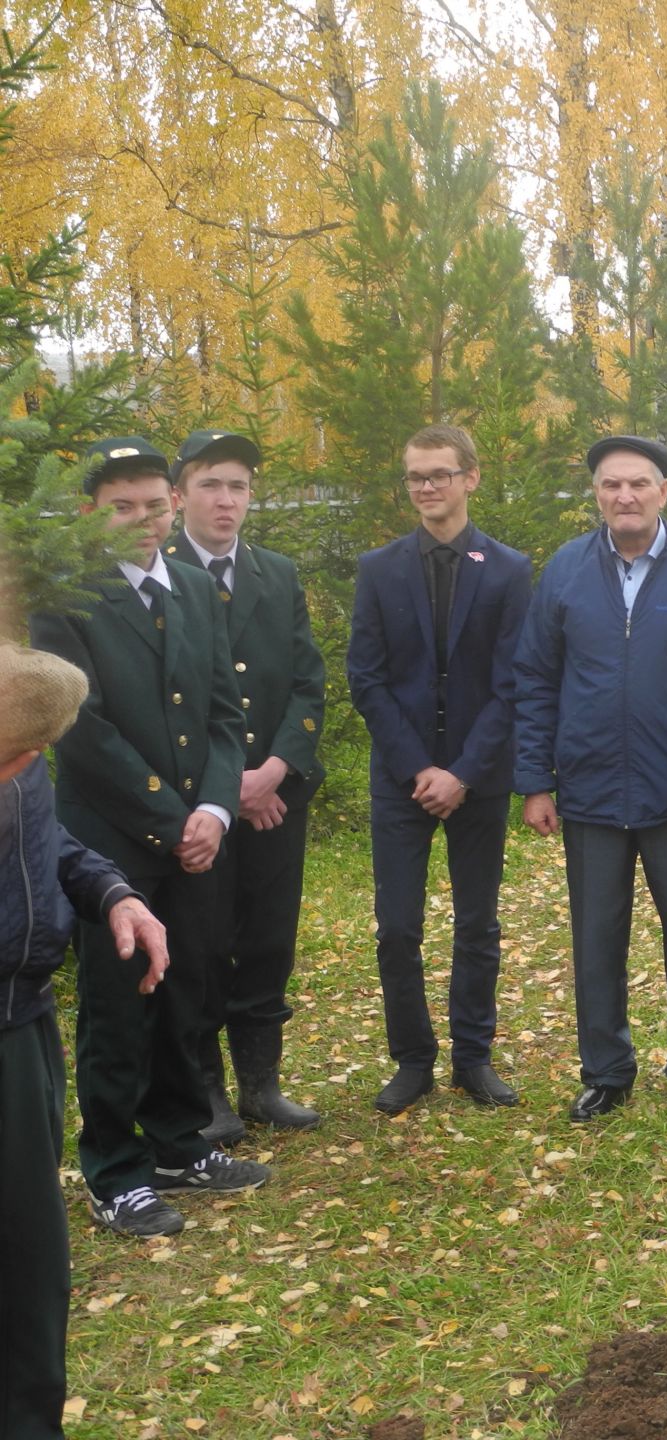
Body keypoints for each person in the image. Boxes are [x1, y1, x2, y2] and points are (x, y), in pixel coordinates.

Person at [30, 436, 269, 1237]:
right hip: (113, 844)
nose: (141, 521)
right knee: (119, 1007)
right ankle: (114, 1169)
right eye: (119, 507)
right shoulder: (65, 601)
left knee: (189, 991)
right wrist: (174, 819)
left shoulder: (197, 590)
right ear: (89, 514)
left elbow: (223, 718)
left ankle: (177, 1142)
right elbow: (80, 731)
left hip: (200, 836)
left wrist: (215, 812)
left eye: (153, 504)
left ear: (174, 504)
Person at [514, 435, 667, 1122]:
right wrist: (534, 780)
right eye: (612, 485)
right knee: (596, 939)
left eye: (639, 484)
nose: (625, 496)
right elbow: (534, 678)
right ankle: (606, 1071)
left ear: (663, 492)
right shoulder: (566, 572)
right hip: (589, 792)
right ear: (597, 495)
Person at [0, 641, 167, 1437]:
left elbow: (51, 843)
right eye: (16, 757)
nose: (28, 766)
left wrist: (112, 893)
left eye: (36, 756)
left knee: (29, 1262)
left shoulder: (20, 722)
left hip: (21, 1026)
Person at [347, 424, 531, 1115]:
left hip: (479, 776)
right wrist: (419, 766)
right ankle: (412, 1059)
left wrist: (463, 771)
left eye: (441, 475)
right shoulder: (380, 569)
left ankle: (473, 1058)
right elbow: (366, 679)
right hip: (402, 776)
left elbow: (515, 682)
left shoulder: (509, 570)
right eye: (417, 476)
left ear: (470, 478)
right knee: (397, 924)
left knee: (477, 921)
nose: (428, 487)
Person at [165, 429, 326, 1140]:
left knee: (267, 939)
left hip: (275, 798)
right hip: (198, 807)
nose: (225, 500)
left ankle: (261, 1084)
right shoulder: (159, 573)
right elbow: (161, 703)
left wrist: (276, 771)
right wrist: (230, 791)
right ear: (179, 497)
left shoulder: (276, 574)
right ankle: (206, 1093)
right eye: (210, 485)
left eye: (237, 486)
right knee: (200, 945)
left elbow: (306, 685)